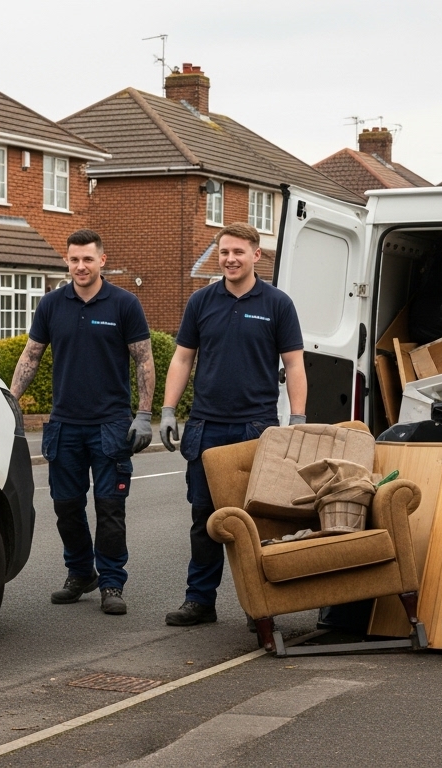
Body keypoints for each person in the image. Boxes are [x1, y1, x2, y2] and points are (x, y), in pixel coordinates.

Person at [159, 223, 307, 626]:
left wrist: (296, 419)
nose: (230, 259)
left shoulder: (277, 303)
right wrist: (168, 410)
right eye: (224, 252)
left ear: (256, 255)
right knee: (205, 519)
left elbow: (294, 363)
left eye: (238, 252)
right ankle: (200, 601)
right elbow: (182, 358)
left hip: (255, 428)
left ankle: (258, 605)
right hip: (206, 427)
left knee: (256, 521)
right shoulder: (201, 302)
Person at [12, 229, 154, 616]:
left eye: (87, 259)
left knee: (110, 508)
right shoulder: (52, 305)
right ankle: (80, 572)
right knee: (66, 505)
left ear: (102, 260)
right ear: (67, 261)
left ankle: (111, 582)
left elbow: (143, 359)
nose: (80, 266)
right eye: (74, 260)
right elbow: (32, 355)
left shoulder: (124, 304)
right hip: (65, 425)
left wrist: (143, 415)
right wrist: (11, 400)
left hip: (111, 425)